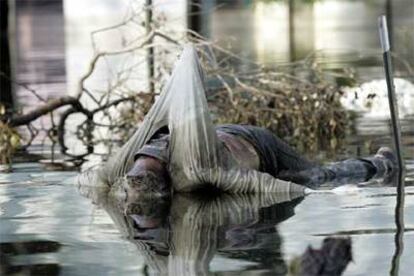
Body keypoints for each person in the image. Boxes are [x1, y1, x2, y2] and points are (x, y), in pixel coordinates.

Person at [79, 45, 397, 196]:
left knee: (316, 177)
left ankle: (380, 164)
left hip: (260, 145)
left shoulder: (199, 171)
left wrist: (300, 193)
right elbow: (87, 180)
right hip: (224, 139)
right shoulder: (120, 168)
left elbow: (276, 187)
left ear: (167, 183)